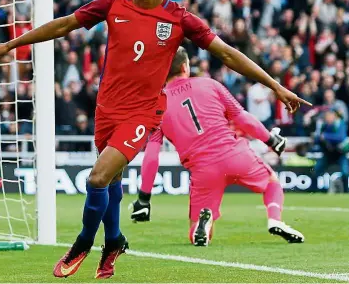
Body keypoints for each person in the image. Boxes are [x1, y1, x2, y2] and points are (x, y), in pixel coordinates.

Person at [0, 0, 310, 279]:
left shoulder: (179, 18)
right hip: (106, 109)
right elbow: (64, 25)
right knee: (113, 182)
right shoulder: (114, 2)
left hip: (142, 114)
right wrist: (10, 45)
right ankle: (115, 240)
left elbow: (228, 54)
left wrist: (275, 86)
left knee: (98, 177)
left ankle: (83, 242)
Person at [130, 48, 305, 246]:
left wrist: (144, 198)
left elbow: (152, 155)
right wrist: (271, 140)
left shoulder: (156, 105)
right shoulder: (210, 84)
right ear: (184, 66)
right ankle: (275, 219)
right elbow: (243, 119)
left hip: (203, 169)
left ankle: (203, 223)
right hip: (235, 154)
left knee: (196, 231)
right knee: (272, 182)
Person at [312, 108, 349, 193]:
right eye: (326, 117)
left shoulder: (340, 124)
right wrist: (316, 138)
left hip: (340, 154)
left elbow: (340, 137)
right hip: (328, 153)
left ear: (334, 116)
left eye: (328, 116)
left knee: (345, 172)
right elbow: (318, 140)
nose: (327, 118)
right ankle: (314, 190)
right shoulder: (324, 125)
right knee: (316, 170)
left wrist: (325, 136)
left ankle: (346, 192)